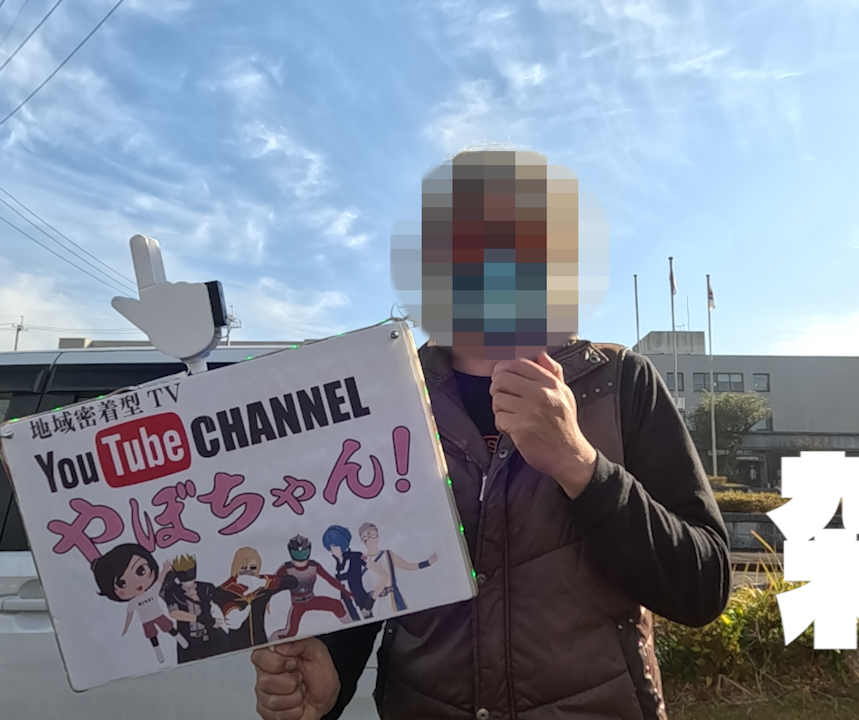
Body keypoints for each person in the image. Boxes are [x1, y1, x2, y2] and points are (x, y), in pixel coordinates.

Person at [251, 147, 731, 720]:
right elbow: (365, 572)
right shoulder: (388, 395)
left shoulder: (620, 383)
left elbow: (702, 586)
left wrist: (579, 463)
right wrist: (331, 670)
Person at [91, 543, 187, 665]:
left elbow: (159, 581)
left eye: (141, 570)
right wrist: (126, 627)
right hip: (146, 621)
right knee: (153, 637)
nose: (136, 584)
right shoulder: (133, 602)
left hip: (159, 616)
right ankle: (158, 652)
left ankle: (182, 640)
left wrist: (165, 570)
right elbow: (129, 615)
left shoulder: (152, 592)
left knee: (169, 628)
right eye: (121, 584)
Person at [269, 535, 352, 641]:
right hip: (297, 603)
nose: (300, 557)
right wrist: (267, 599)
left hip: (311, 599)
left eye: (303, 553)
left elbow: (330, 580)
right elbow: (272, 583)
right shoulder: (287, 568)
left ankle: (352, 625)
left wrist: (346, 592)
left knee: (337, 605)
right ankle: (272, 639)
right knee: (290, 632)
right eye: (297, 553)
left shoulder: (314, 566)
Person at [217, 546, 298, 651]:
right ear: (236, 567)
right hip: (236, 647)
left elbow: (292, 582)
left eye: (253, 568)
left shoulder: (262, 585)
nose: (248, 571)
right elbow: (223, 603)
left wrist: (264, 582)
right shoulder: (224, 589)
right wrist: (231, 612)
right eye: (243, 567)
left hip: (261, 643)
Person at [357, 522, 436, 614]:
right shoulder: (361, 561)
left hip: (391, 599)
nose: (369, 539)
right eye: (365, 537)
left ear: (377, 536)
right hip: (372, 605)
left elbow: (408, 566)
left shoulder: (388, 555)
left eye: (371, 535)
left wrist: (428, 563)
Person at [322, 525, 373, 620]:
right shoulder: (336, 564)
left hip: (361, 597)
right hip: (347, 602)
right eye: (331, 547)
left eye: (335, 546)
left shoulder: (357, 556)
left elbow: (374, 566)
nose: (333, 550)